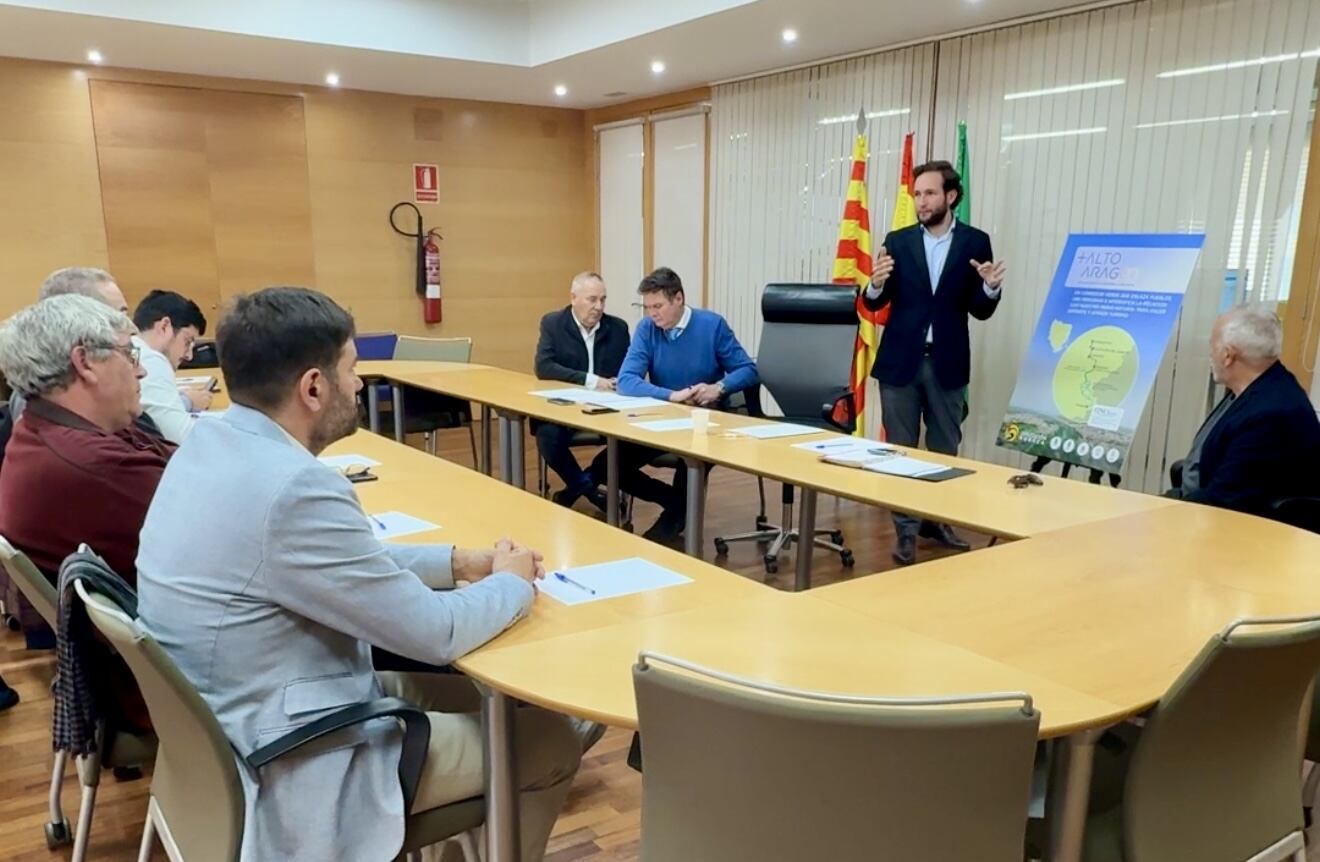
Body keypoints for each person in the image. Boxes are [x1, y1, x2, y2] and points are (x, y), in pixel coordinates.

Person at [135, 287, 581, 862]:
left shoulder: (210, 443)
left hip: (246, 716)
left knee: (504, 702)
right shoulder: (297, 489)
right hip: (299, 754)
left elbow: (335, 566)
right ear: (314, 387)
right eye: (352, 370)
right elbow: (434, 634)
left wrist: (456, 562)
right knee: (551, 740)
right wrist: (513, 583)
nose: (360, 385)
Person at [0, 295, 172, 729]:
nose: (141, 369)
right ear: (85, 363)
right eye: (129, 353)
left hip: (139, 671)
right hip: (170, 687)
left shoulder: (45, 430)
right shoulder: (95, 467)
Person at [865, 160, 1006, 565]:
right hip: (900, 363)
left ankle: (937, 519)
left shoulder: (975, 243)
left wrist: (989, 289)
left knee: (945, 448)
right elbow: (878, 300)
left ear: (951, 196)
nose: (920, 201)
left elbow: (979, 309)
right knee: (901, 450)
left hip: (946, 361)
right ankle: (906, 530)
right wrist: (875, 284)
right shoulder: (899, 239)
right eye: (917, 194)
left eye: (928, 193)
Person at [613, 267, 759, 542]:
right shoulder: (647, 329)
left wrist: (719, 387)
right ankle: (675, 502)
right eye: (647, 307)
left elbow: (748, 370)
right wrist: (671, 396)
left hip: (704, 421)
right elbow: (626, 381)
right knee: (608, 463)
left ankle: (663, 534)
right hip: (661, 417)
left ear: (678, 299)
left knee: (689, 463)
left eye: (658, 306)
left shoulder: (712, 325)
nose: (652, 314)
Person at [1166, 305, 1320, 516]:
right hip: (1204, 504)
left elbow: (1224, 501)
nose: (1210, 353)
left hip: (1230, 524)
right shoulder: (1259, 386)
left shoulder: (1272, 415)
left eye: (1212, 345)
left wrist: (1161, 510)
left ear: (1228, 355)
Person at [533, 271, 630, 510]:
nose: (598, 307)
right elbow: (544, 367)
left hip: (608, 409)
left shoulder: (617, 328)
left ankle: (574, 490)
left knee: (629, 445)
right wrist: (591, 380)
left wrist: (623, 380)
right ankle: (590, 490)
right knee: (547, 435)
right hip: (566, 407)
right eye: (592, 299)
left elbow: (629, 368)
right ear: (573, 298)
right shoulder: (553, 323)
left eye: (603, 300)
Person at [132, 289, 212, 443]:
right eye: (187, 341)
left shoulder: (135, 350)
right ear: (164, 327)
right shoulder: (151, 360)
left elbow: (150, 416)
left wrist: (184, 401)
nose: (189, 355)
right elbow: (182, 439)